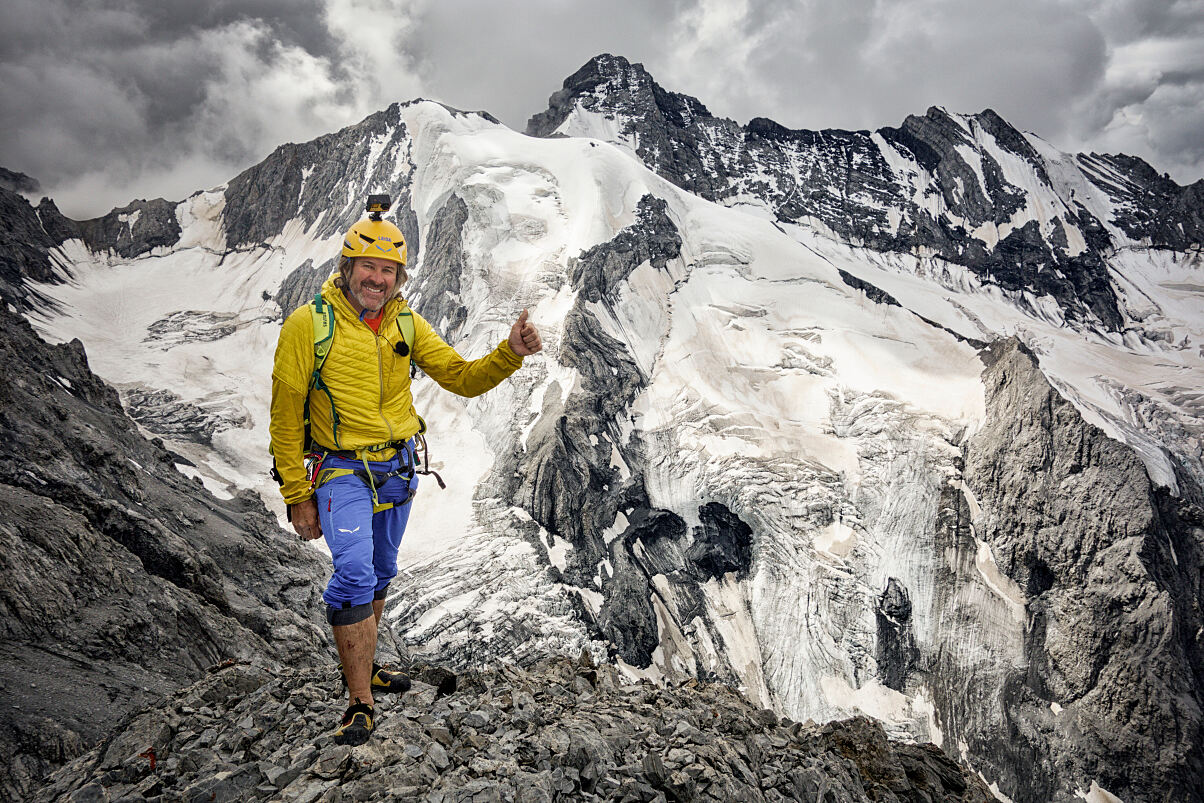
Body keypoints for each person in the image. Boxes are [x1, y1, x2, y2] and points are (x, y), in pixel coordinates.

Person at [269, 196, 541, 745]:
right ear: (346, 269)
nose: (377, 278)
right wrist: (297, 495)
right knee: (353, 572)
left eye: (387, 270)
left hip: (397, 468)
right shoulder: (309, 326)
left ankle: (366, 667)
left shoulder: (407, 324)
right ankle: (359, 700)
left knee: (382, 571)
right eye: (367, 267)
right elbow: (285, 409)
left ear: (398, 276)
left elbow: (461, 378)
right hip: (340, 469)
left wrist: (509, 351)